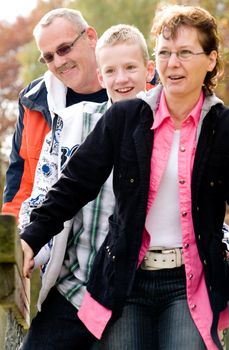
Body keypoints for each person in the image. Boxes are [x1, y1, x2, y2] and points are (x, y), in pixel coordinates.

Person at [20, 4, 229, 350]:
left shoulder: (223, 127)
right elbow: (74, 185)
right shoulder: (126, 117)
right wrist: (32, 237)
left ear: (210, 59)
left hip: (188, 280)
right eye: (164, 53)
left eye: (184, 53)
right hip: (125, 279)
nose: (172, 63)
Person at [19, 23, 154, 350]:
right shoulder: (70, 125)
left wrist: (223, 239)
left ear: (149, 71)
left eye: (130, 68)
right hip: (75, 286)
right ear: (101, 77)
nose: (122, 79)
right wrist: (27, 244)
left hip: (132, 292)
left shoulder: (169, 129)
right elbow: (42, 198)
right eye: (111, 70)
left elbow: (194, 199)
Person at [2, 8, 108, 220]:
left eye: (64, 49)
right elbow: (22, 185)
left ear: (90, 37)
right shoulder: (33, 101)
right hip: (51, 241)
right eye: (49, 57)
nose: (59, 62)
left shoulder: (140, 85)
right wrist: (10, 244)